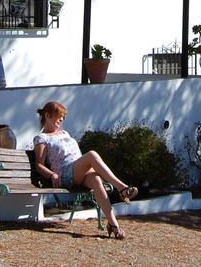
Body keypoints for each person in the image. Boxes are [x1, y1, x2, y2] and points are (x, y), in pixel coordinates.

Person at [32, 101, 138, 239]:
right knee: (92, 155)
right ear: (47, 115)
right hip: (65, 174)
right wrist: (52, 174)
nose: (62, 119)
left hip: (79, 171)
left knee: (97, 180)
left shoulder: (64, 133)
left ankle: (114, 226)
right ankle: (122, 189)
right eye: (59, 116)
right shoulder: (42, 138)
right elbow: (38, 165)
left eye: (63, 117)